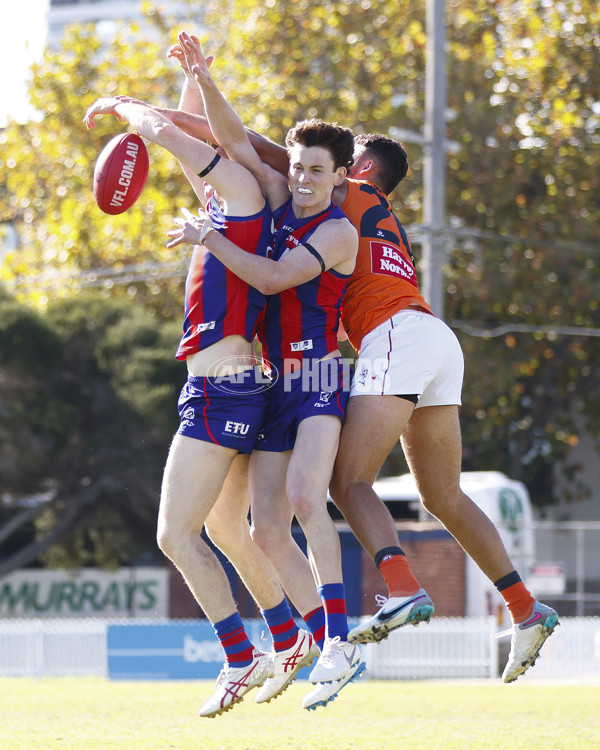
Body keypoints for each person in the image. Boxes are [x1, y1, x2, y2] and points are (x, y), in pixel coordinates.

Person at [162, 105, 559, 690]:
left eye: (329, 167)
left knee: (345, 485)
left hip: (395, 338)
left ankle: (400, 591)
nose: (308, 176)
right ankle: (527, 608)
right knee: (441, 494)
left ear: (358, 167)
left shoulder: (347, 194)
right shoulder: (384, 220)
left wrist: (167, 118)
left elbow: (248, 146)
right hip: (435, 340)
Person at [83, 61, 318, 717]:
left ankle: (240, 658)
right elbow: (189, 128)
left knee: (173, 535)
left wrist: (118, 105)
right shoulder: (234, 198)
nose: (207, 145)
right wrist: (195, 74)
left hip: (224, 390)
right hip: (232, 386)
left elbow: (168, 131)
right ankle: (287, 638)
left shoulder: (242, 192)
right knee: (227, 528)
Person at [166, 32, 365, 712]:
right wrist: (202, 78)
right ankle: (306, 638)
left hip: (318, 381)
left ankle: (339, 639)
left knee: (310, 498)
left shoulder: (337, 231)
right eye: (300, 167)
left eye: (317, 170)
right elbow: (235, 143)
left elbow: (277, 278)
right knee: (260, 531)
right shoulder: (280, 199)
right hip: (275, 387)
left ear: (340, 176)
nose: (304, 178)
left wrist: (208, 237)